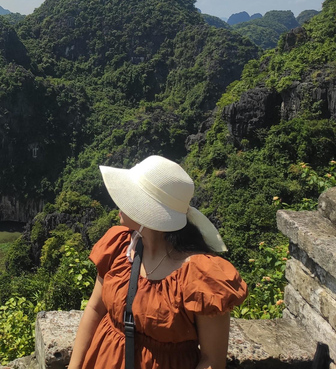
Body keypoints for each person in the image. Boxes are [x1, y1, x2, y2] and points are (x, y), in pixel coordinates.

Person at [67, 155, 247, 369]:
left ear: (150, 213)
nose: (119, 201)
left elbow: (212, 361)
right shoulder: (119, 246)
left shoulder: (202, 276)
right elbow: (96, 309)